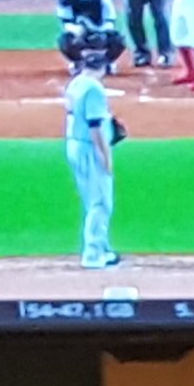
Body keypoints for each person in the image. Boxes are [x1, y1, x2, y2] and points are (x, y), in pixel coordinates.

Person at [61, 44, 122, 276]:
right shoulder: (94, 89)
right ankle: (93, 253)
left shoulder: (75, 83)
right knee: (100, 202)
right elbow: (95, 127)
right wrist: (105, 156)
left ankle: (103, 247)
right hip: (89, 147)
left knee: (92, 199)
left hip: (74, 144)